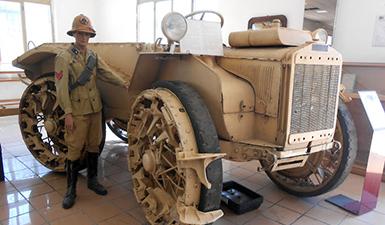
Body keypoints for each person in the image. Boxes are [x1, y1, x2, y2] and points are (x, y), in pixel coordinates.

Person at [55, 14, 127, 209]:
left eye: (87, 34)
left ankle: (92, 181)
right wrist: (67, 113)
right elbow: (61, 89)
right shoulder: (64, 58)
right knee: (74, 148)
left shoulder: (93, 56)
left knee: (94, 145)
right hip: (77, 110)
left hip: (95, 109)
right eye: (80, 33)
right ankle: (71, 190)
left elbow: (105, 72)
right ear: (74, 34)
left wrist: (124, 83)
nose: (83, 38)